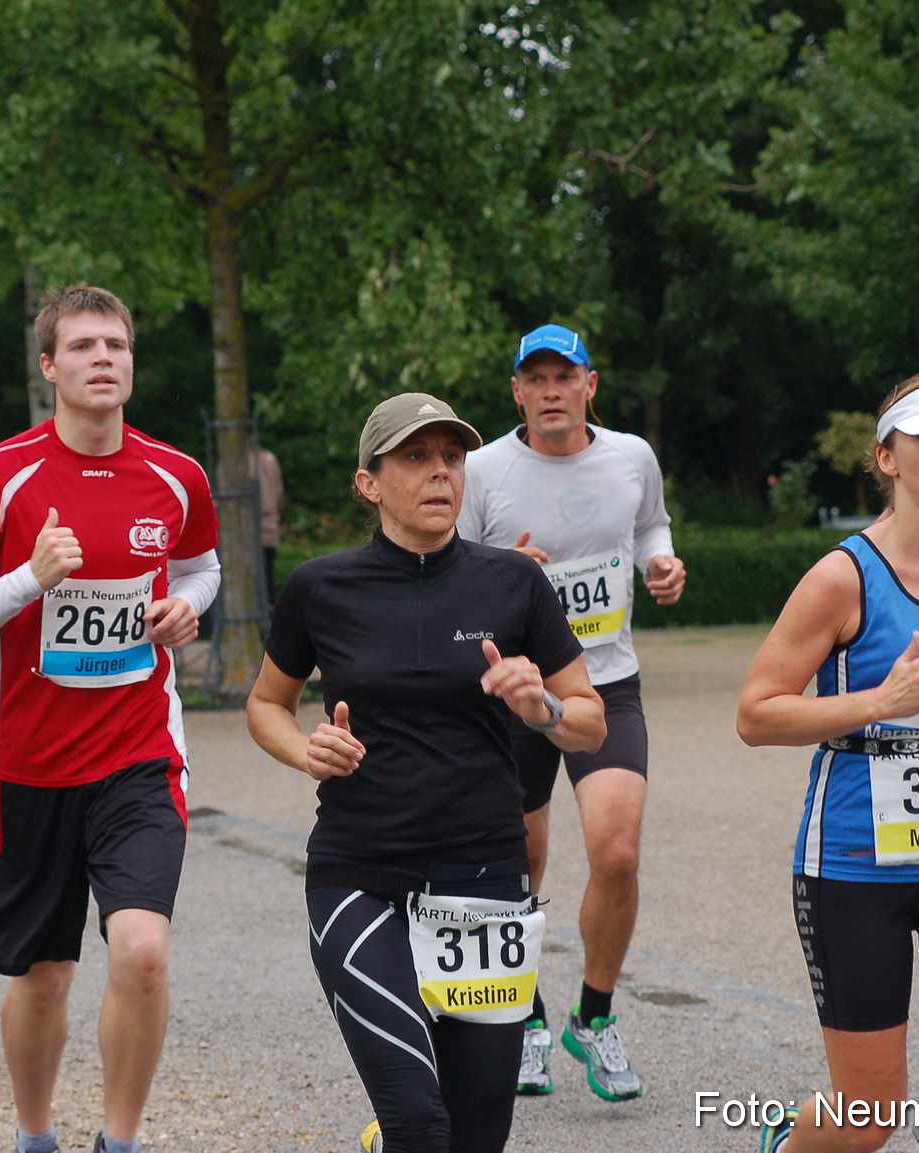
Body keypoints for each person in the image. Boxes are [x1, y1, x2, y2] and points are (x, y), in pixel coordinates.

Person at [247, 392, 604, 1153]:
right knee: (417, 1119)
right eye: (416, 457)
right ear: (368, 483)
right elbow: (266, 705)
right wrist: (304, 747)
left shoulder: (513, 582)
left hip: (484, 881)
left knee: (478, 1134)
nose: (441, 472)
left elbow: (590, 718)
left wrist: (538, 706)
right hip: (358, 875)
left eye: (452, 456)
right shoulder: (320, 587)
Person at [0, 284, 221, 1153]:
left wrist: (187, 607)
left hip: (139, 755)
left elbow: (202, 569)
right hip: (30, 770)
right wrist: (29, 581)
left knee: (143, 952)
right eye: (83, 346)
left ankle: (118, 1142)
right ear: (49, 366)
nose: (103, 359)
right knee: (44, 978)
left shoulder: (176, 474)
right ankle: (35, 1133)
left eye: (116, 345)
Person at [737, 373, 919, 1153]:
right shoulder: (844, 577)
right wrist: (878, 700)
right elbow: (757, 713)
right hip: (855, 869)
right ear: (887, 457)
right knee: (867, 1116)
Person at [455, 322, 685, 1100]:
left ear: (591, 384)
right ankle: (524, 1018)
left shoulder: (631, 458)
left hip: (605, 681)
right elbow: (444, 567)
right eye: (537, 378)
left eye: (566, 376)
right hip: (511, 686)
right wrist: (501, 570)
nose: (552, 391)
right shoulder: (483, 469)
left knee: (616, 853)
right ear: (516, 390)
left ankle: (595, 1015)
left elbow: (650, 522)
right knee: (519, 862)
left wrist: (660, 558)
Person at [253, 442, 282, 604]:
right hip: (270, 525)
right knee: (268, 573)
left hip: (247, 529)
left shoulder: (237, 462)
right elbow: (279, 493)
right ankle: (269, 609)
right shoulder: (270, 459)